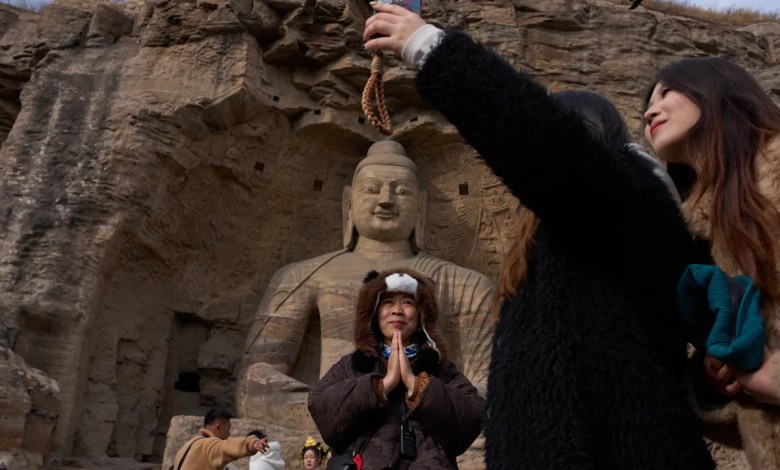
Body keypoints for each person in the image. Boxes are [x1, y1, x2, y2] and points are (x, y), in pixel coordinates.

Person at [364, 5, 714, 469]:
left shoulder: (628, 205)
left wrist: (426, 45)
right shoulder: (555, 254)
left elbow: (544, 146)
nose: (386, 200)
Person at [237, 140, 495, 421]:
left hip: (424, 413)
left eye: (402, 191)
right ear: (348, 202)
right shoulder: (305, 275)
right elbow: (255, 379)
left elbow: (490, 386)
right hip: (334, 414)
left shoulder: (468, 285)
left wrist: (424, 397)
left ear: (422, 205)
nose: (386, 199)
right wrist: (339, 405)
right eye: (372, 189)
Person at [643, 56, 780, 469]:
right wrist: (714, 384)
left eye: (666, 91)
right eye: (647, 103)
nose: (650, 109)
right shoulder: (715, 223)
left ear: (717, 89)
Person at [308, 268, 484, 468]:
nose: (397, 310)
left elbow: (473, 415)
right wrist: (381, 386)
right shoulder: (351, 366)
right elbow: (320, 406)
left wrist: (416, 385)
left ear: (421, 315)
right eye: (388, 302)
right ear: (374, 313)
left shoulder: (441, 368)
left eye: (408, 303)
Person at [172, 406, 269, 470]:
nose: (229, 434)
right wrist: (252, 443)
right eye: (228, 429)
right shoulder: (210, 445)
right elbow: (228, 446)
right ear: (218, 427)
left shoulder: (187, 445)